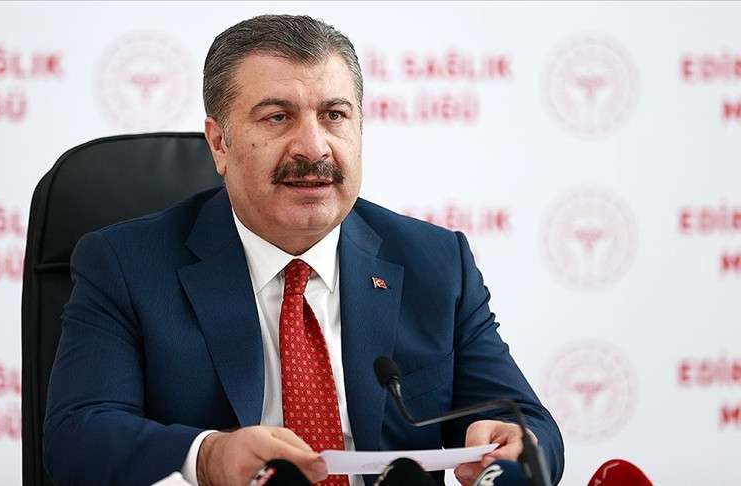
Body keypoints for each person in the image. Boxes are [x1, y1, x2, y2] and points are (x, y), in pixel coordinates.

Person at [43, 14, 564, 486]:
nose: (313, 147)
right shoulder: (126, 264)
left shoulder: (436, 262)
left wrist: (517, 443)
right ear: (219, 144)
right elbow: (77, 438)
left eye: (334, 115)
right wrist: (208, 457)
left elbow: (528, 424)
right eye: (277, 117)